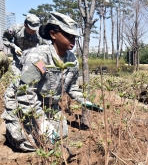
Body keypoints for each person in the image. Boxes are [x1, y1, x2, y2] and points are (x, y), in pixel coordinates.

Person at [1, 12, 93, 152]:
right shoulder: (39, 57)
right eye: (68, 35)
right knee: (31, 143)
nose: (72, 40)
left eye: (74, 36)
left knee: (60, 136)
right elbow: (25, 93)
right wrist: (42, 122)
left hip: (48, 105)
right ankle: (11, 128)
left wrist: (84, 100)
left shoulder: (71, 59)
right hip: (24, 103)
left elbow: (71, 86)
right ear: (53, 34)